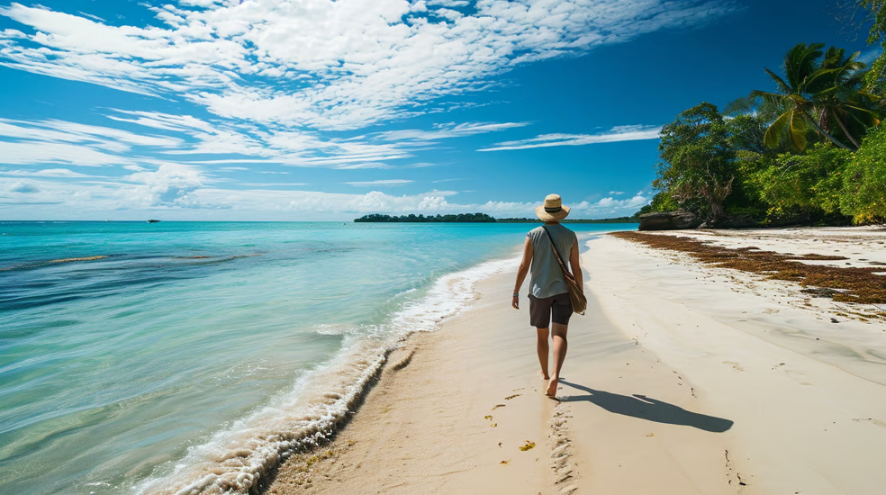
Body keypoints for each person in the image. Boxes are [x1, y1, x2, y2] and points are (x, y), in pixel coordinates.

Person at [511, 194, 582, 397]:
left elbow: (524, 265)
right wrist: (580, 292)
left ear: (544, 212)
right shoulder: (570, 235)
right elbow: (576, 266)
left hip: (539, 293)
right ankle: (555, 374)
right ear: (561, 212)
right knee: (559, 335)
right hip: (564, 292)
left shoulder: (533, 234)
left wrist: (515, 291)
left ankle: (544, 373)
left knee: (542, 335)